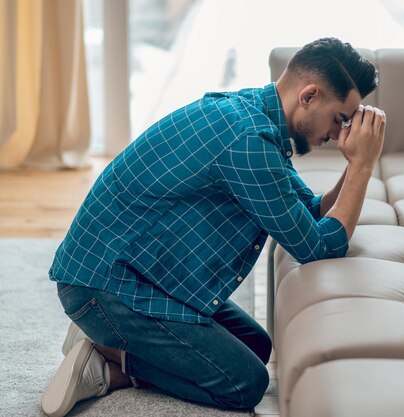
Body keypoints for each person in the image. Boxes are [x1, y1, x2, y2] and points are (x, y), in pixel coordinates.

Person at [41, 37, 386, 416]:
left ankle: (112, 338)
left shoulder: (254, 118)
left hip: (134, 275)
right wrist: (362, 167)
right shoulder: (247, 142)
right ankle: (110, 363)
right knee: (243, 383)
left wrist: (354, 163)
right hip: (103, 286)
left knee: (255, 345)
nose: (340, 133)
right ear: (308, 96)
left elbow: (311, 211)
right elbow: (320, 249)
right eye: (339, 119)